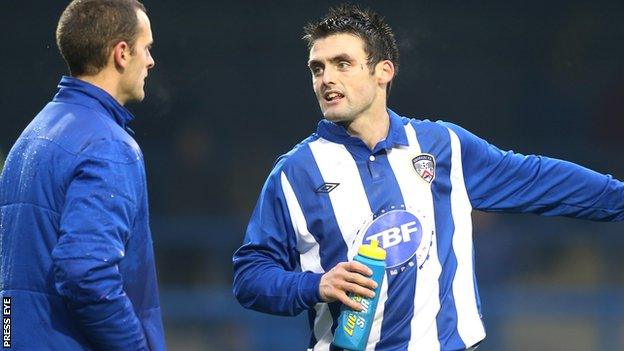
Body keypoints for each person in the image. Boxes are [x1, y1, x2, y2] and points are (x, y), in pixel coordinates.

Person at [232, 4, 624, 351]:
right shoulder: (295, 172)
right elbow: (250, 277)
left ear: (383, 71)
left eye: (342, 63)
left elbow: (540, 180)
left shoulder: (441, 146)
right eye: (317, 68)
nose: (326, 78)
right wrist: (314, 286)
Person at [0, 0, 165, 350]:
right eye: (146, 48)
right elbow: (86, 272)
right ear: (122, 53)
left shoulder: (32, 135)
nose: (150, 61)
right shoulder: (108, 144)